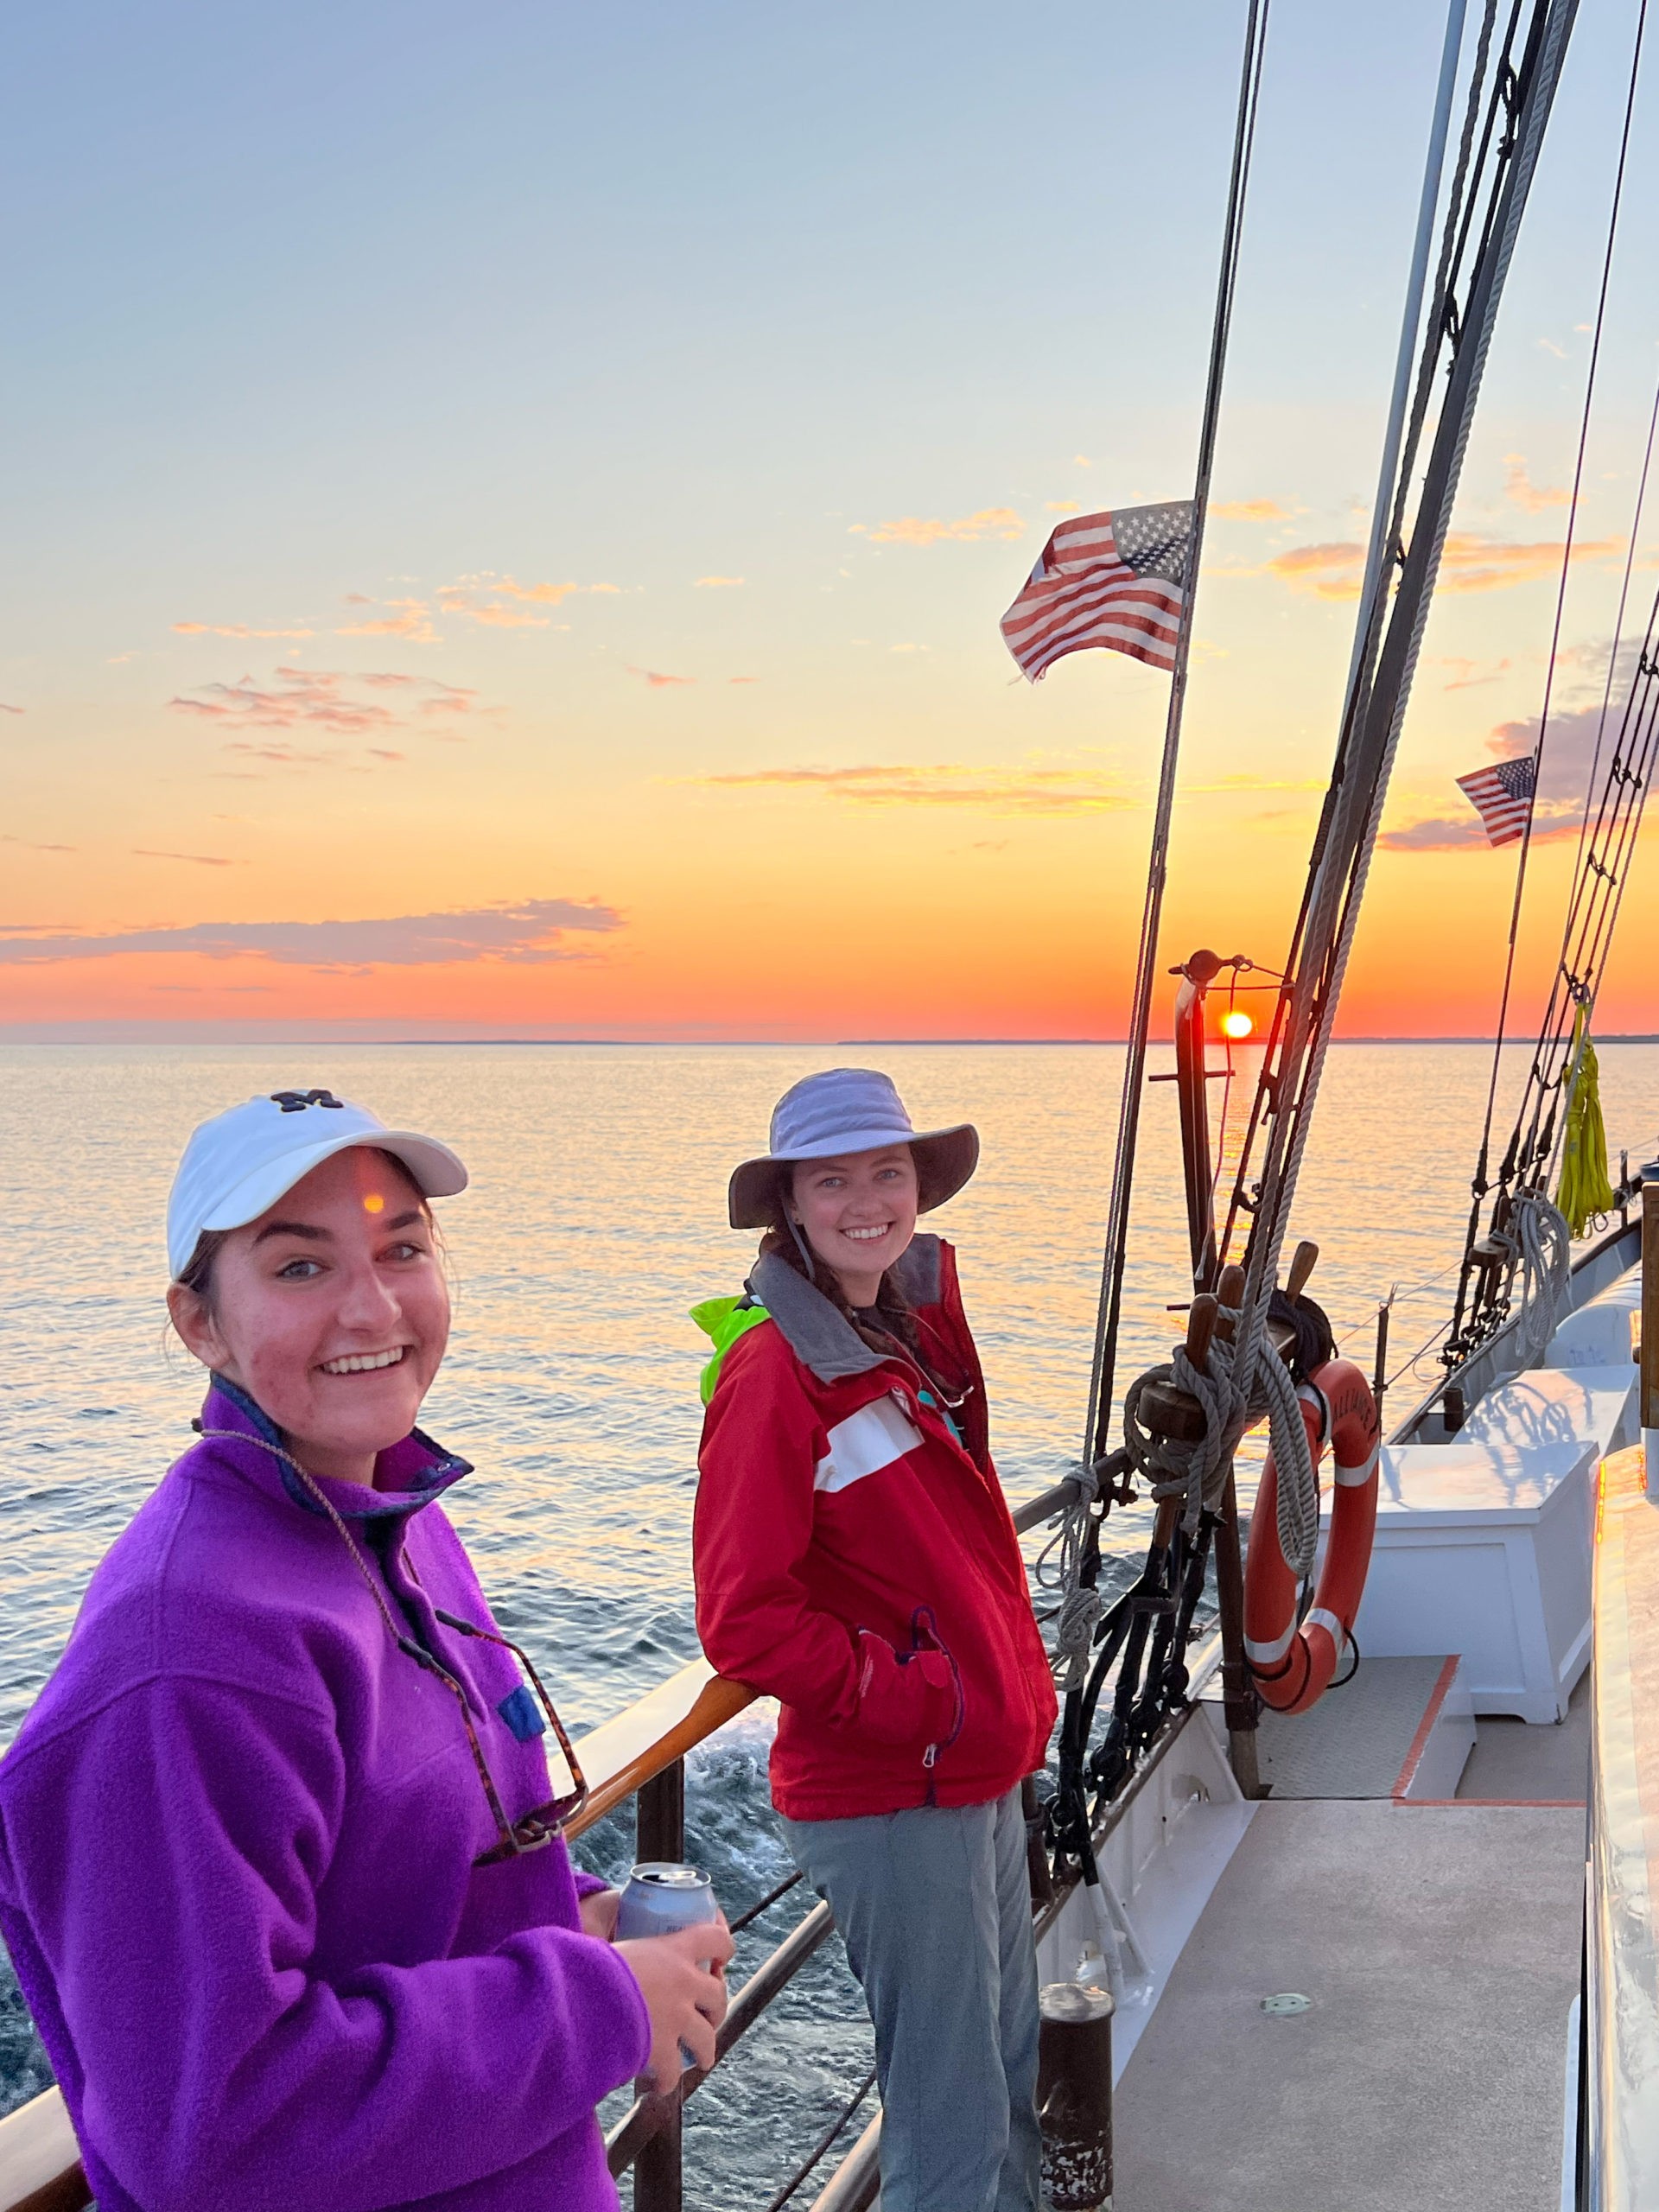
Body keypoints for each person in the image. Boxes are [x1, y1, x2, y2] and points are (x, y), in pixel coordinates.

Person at [0, 1087, 731, 2212]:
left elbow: (408, 1885)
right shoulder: (185, 1651)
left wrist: (569, 1919)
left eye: (403, 1248)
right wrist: (599, 2006)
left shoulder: (389, 1507)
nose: (375, 1306)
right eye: (301, 1267)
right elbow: (214, 2130)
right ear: (200, 1325)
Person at [691, 1067, 1058, 2212]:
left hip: (969, 1768)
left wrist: (977, 1706)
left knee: (1002, 2080)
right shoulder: (775, 1369)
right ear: (790, 1206)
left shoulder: (902, 1327)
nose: (866, 1200)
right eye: (833, 1179)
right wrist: (923, 1700)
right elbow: (740, 1615)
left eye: (886, 1173)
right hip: (898, 1788)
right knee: (950, 2127)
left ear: (918, 1187)